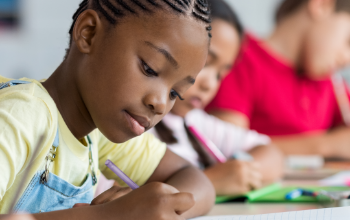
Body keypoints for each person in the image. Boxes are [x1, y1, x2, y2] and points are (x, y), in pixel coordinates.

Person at [0, 0, 216, 219]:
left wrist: (156, 206)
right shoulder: (21, 116)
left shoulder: (96, 132)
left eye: (174, 93)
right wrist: (107, 215)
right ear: (89, 33)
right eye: (149, 69)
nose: (160, 104)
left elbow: (197, 181)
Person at [148, 0, 284, 196]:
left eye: (220, 73)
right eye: (205, 63)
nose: (210, 84)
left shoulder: (193, 122)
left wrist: (239, 169)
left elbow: (272, 154)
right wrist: (212, 181)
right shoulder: (137, 126)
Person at [206, 0, 350, 158]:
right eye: (348, 42)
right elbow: (227, 149)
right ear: (321, 5)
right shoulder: (238, 56)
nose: (347, 59)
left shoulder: (328, 82)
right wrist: (326, 146)